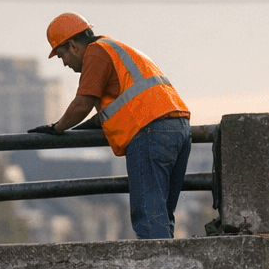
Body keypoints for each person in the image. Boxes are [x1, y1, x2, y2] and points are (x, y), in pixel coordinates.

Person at [30, 13, 192, 239]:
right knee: (162, 214)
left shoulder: (96, 52)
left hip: (149, 130)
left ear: (73, 46)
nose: (64, 62)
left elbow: (82, 103)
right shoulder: (116, 51)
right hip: (178, 128)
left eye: (61, 55)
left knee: (149, 216)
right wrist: (78, 129)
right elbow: (112, 111)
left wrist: (57, 128)